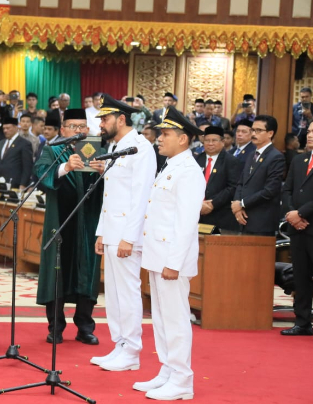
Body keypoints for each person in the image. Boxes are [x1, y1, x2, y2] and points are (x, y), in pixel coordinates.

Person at [134, 106, 205, 401]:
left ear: (183, 138)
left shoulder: (188, 172)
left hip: (171, 259)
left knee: (175, 321)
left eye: (165, 134)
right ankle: (167, 370)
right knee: (162, 319)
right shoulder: (171, 166)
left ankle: (182, 379)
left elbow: (186, 224)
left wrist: (173, 263)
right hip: (158, 255)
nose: (159, 139)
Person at [91, 94, 156, 371]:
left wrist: (128, 237)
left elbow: (141, 197)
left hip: (128, 235)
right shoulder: (117, 147)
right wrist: (102, 232)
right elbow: (111, 195)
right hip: (113, 232)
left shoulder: (140, 148)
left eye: (105, 119)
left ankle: (132, 350)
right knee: (114, 293)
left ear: (120, 119)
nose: (100, 124)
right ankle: (119, 345)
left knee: (128, 293)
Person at [35, 108, 104, 345]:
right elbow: (40, 175)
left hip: (89, 221)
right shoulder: (53, 150)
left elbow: (112, 188)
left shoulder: (97, 149)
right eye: (73, 127)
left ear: (88, 129)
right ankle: (55, 327)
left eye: (82, 126)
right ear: (63, 129)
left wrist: (104, 173)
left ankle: (85, 327)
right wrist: (65, 168)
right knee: (57, 272)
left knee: (88, 271)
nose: (78, 131)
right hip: (60, 222)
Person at [280, 116, 313, 342]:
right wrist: (292, 214)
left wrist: (302, 213)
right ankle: (302, 322)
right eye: (309, 131)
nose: (309, 135)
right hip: (297, 229)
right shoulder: (300, 160)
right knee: (300, 277)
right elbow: (287, 190)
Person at [231, 115, 285, 236]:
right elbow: (241, 182)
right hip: (243, 218)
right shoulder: (251, 155)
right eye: (253, 130)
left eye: (259, 130)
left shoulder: (276, 157)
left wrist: (242, 203)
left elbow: (270, 190)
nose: (254, 134)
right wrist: (237, 204)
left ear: (270, 133)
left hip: (262, 221)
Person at [196, 126, 241, 232]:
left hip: (221, 215)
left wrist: (213, 203)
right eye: (207, 140)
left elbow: (232, 187)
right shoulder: (196, 160)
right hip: (197, 214)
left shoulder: (231, 161)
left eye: (214, 140)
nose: (210, 143)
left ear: (222, 142)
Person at [0, 117, 34, 191]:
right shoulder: (1, 143)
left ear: (16, 128)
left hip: (14, 183)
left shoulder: (24, 143)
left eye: (8, 128)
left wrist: (23, 184)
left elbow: (27, 166)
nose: (5, 131)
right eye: (4, 128)